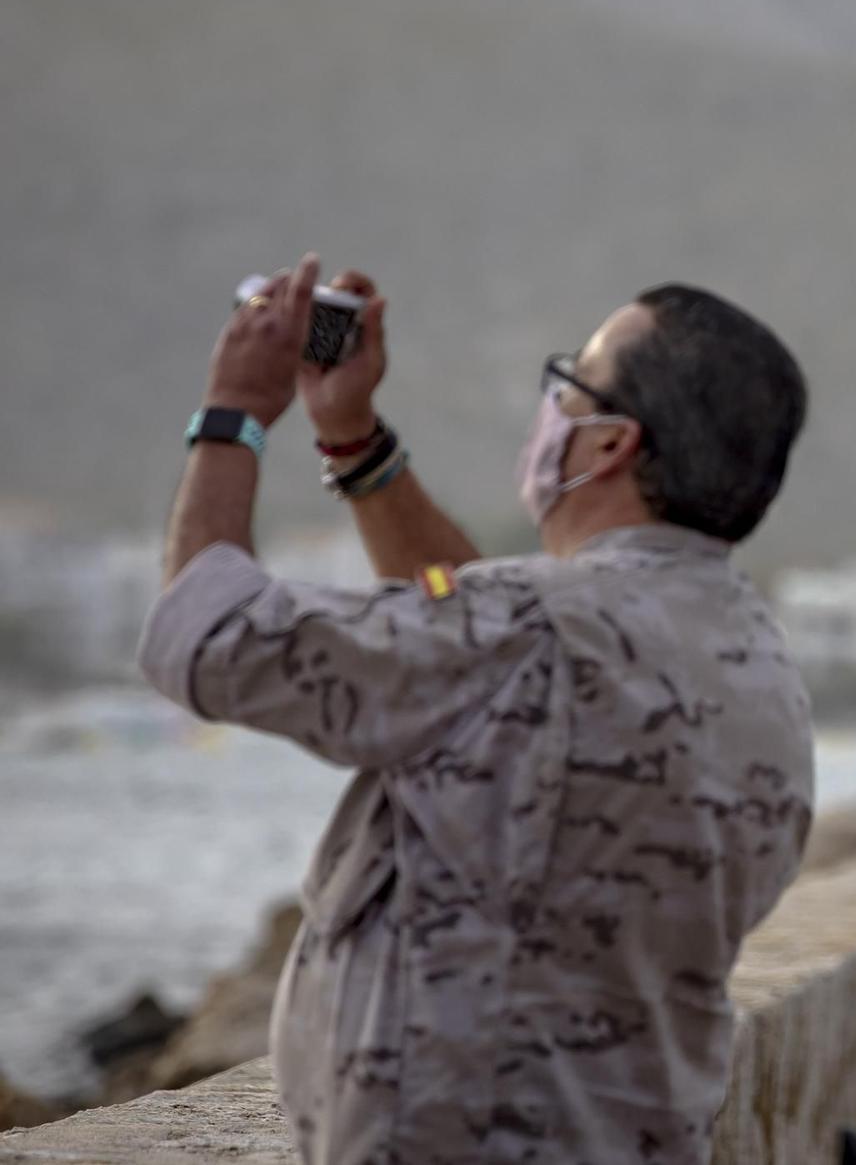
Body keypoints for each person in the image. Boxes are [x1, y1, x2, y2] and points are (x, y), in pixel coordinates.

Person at [137, 256, 814, 1165]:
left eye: (569, 385)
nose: (552, 409)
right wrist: (352, 438)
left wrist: (235, 412)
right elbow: (469, 627)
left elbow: (209, 637)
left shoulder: (528, 630)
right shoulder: (758, 662)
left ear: (610, 442)